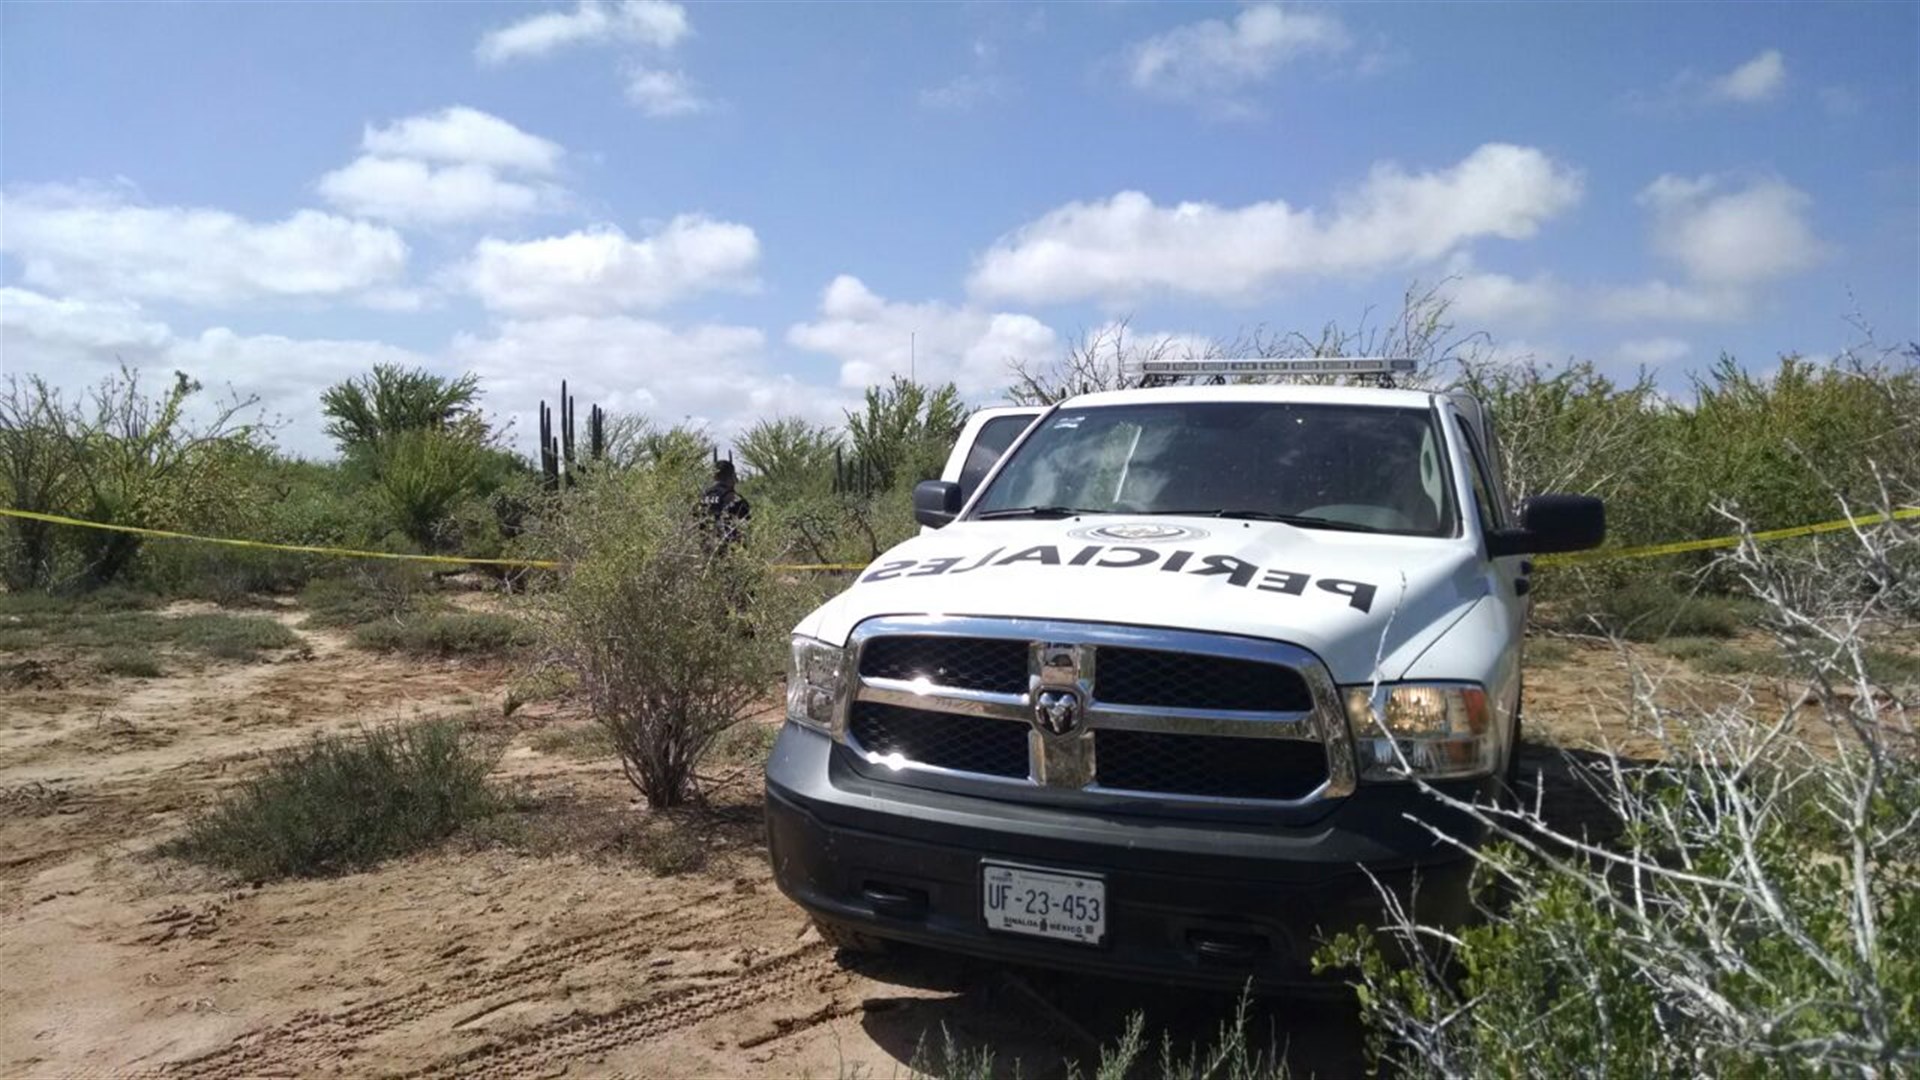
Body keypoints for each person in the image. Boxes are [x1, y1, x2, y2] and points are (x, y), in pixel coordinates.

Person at [699, 459, 751, 551]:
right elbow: (746, 526)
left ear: (714, 476)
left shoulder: (703, 496)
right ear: (732, 476)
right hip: (729, 551)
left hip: (706, 549)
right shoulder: (734, 498)